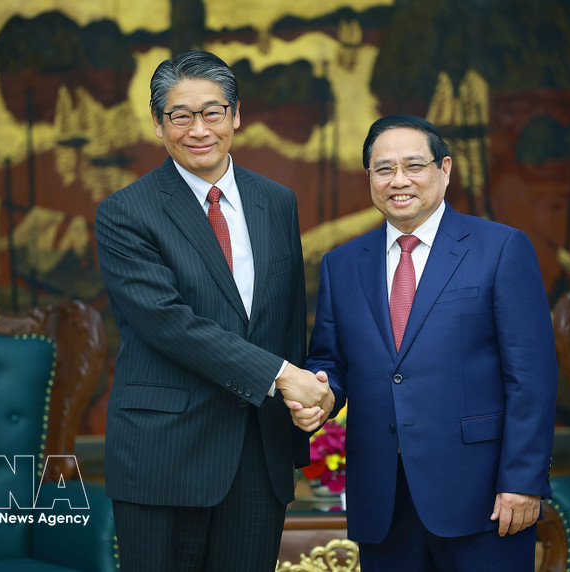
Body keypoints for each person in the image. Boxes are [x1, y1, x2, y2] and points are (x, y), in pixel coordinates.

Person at [95, 49, 331, 571]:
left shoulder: (277, 201)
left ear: (236, 116)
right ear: (159, 124)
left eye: (213, 112)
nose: (198, 129)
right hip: (165, 455)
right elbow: (168, 322)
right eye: (181, 115)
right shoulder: (125, 213)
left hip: (258, 454)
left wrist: (306, 405)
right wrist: (283, 375)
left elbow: (288, 317)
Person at [288, 115, 557, 571]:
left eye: (414, 166)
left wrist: (524, 481)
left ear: (444, 169)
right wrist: (322, 393)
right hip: (383, 501)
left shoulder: (501, 248)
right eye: (384, 169)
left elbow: (530, 377)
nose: (399, 181)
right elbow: (330, 359)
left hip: (484, 498)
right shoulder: (342, 263)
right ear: (369, 177)